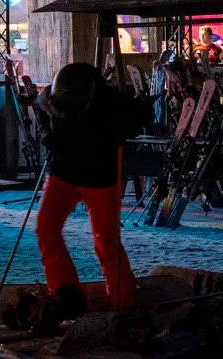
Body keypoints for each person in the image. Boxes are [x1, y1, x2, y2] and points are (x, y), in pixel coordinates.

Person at [30, 62, 151, 324]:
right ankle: (66, 292)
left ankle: (123, 301)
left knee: (106, 242)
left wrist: (131, 122)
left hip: (99, 177)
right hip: (63, 171)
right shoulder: (54, 97)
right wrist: (47, 135)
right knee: (45, 229)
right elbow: (40, 106)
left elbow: (140, 115)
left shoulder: (111, 104)